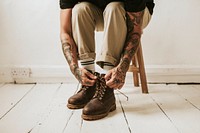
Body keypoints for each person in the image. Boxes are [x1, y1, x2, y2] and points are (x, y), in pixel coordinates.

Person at [59, 0, 155, 120]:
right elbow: (65, 31)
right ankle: (89, 82)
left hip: (133, 14)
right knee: (80, 10)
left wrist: (122, 68)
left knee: (114, 8)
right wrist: (75, 69)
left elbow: (135, 31)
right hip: (99, 12)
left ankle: (107, 85)